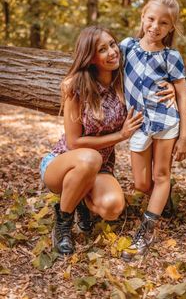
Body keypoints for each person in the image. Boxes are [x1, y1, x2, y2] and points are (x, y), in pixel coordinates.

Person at [39, 26, 175, 256]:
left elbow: (155, 73)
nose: (112, 52)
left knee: (113, 208)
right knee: (89, 158)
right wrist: (120, 136)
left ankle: (80, 200)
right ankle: (62, 224)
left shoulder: (124, 81)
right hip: (63, 164)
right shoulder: (76, 87)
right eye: (102, 49)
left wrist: (170, 87)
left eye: (113, 44)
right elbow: (74, 143)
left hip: (101, 167)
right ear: (90, 58)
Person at [120, 0, 186, 261]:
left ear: (171, 28)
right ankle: (161, 198)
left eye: (163, 23)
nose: (155, 26)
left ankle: (145, 233)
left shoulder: (171, 56)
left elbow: (182, 96)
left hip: (165, 123)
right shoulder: (127, 47)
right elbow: (107, 73)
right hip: (137, 124)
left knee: (161, 176)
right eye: (151, 19)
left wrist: (184, 136)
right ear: (142, 17)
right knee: (141, 183)